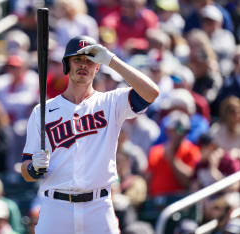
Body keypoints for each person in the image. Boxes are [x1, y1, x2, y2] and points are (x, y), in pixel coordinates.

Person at [21, 35, 159, 234]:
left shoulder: (111, 102)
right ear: (67, 64)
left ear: (98, 67)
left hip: (98, 206)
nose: (83, 65)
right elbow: (26, 170)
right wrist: (34, 168)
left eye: (90, 60)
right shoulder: (42, 110)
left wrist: (112, 60)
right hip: (56, 206)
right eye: (78, 59)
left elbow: (151, 93)